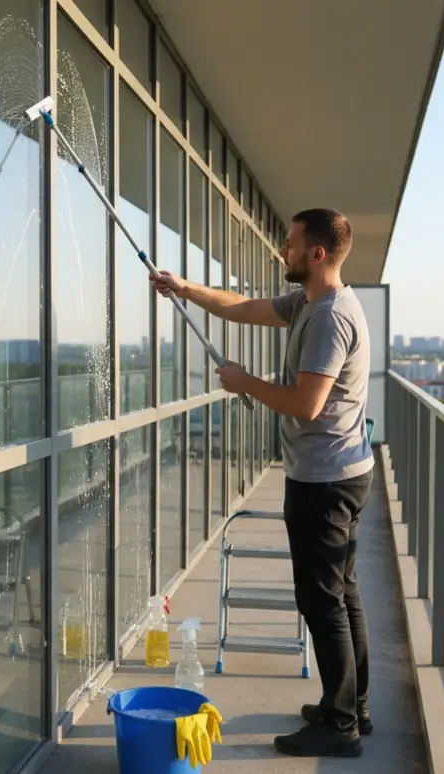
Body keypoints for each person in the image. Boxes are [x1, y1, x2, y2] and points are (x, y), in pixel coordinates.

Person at [151, 208, 374, 758]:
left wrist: (242, 382)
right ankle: (350, 706)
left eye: (291, 243)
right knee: (341, 595)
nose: (282, 249)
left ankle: (340, 725)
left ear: (316, 254)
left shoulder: (328, 318)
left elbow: (306, 403)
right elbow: (244, 308)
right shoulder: (310, 302)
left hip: (324, 480)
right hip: (338, 471)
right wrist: (184, 288)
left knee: (323, 601)